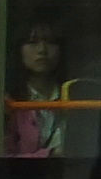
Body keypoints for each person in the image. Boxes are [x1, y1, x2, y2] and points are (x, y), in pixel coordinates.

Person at [7, 19, 67, 158]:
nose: (42, 50)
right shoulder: (8, 101)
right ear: (19, 50)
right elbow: (0, 156)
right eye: (32, 42)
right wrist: (50, 155)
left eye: (50, 42)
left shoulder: (75, 95)